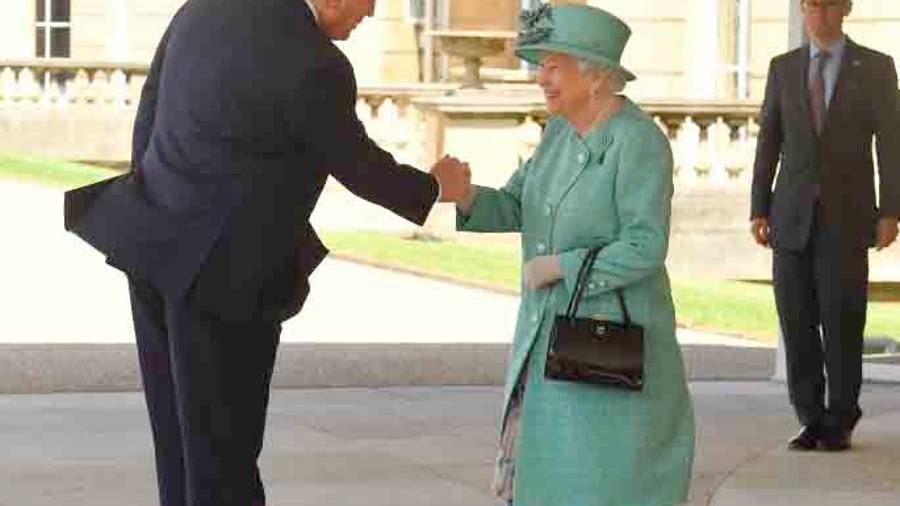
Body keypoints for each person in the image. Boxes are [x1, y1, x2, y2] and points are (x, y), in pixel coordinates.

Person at [63, 0, 469, 505]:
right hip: (227, 281)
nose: (367, 17)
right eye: (367, 4)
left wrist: (158, 202)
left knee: (179, 449)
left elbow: (149, 114)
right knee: (224, 458)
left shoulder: (202, 10)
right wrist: (435, 186)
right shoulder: (315, 60)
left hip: (152, 250)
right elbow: (360, 166)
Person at [440, 5, 694, 505]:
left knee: (602, 481)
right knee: (548, 479)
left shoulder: (638, 141)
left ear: (595, 73)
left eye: (553, 66)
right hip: (547, 336)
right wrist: (466, 196)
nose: (540, 78)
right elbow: (517, 202)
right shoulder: (556, 133)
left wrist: (563, 266)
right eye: (540, 66)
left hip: (608, 342)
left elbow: (645, 245)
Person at [751, 0, 900, 452]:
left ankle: (841, 414)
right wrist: (759, 207)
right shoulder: (783, 68)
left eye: (829, 5)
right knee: (795, 320)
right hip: (791, 216)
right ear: (802, 10)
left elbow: (891, 144)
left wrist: (891, 210)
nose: (820, 14)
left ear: (846, 8)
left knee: (842, 318)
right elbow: (769, 139)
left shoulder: (875, 67)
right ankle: (811, 416)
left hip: (848, 216)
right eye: (812, 5)